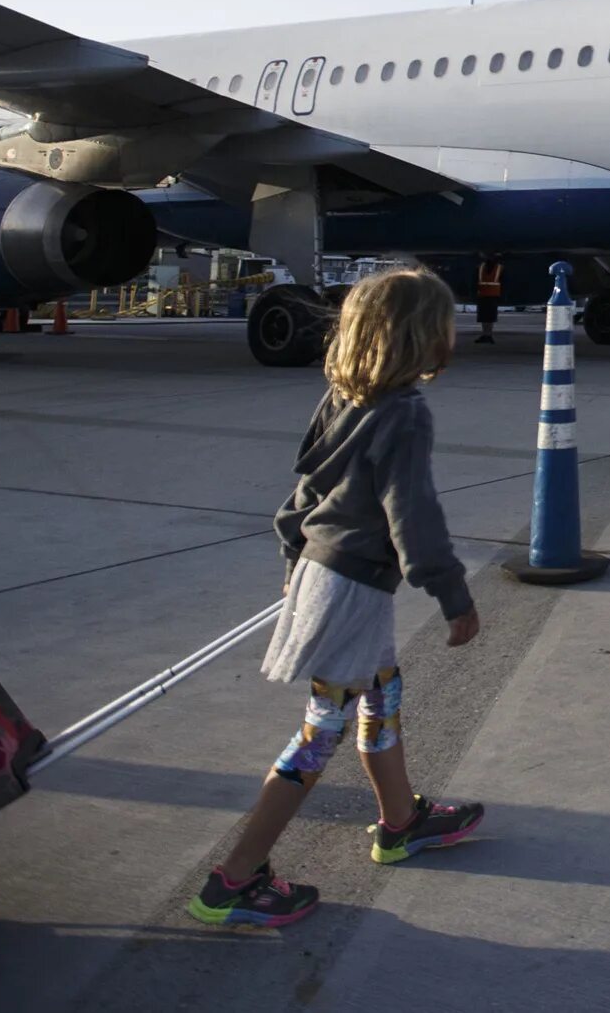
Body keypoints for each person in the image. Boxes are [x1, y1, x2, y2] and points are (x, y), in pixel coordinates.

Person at [185, 266, 486, 928]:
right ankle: (232, 879)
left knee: (383, 691)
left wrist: (296, 566)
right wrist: (453, 595)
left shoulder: (343, 396)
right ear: (420, 338)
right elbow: (415, 517)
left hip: (328, 575)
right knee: (320, 731)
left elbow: (299, 500)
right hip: (350, 587)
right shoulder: (404, 413)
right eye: (445, 324)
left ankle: (401, 820)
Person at [473, 255, 503, 344]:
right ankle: (487, 335)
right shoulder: (499, 268)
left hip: (485, 295)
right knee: (487, 318)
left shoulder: (480, 267)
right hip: (491, 296)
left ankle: (487, 335)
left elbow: (475, 280)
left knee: (486, 318)